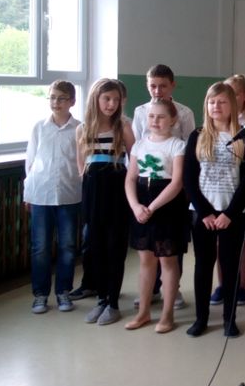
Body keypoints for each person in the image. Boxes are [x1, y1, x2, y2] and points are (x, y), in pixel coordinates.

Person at [183, 82, 245, 338]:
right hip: (202, 214)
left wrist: (229, 214)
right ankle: (201, 318)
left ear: (232, 105)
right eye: (212, 102)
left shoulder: (244, 137)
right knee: (203, 266)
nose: (216, 106)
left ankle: (229, 319)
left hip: (231, 215)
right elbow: (189, 178)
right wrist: (205, 212)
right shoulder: (197, 135)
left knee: (230, 265)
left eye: (222, 102)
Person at [130, 64, 195, 311]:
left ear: (172, 85)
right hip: (146, 181)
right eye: (153, 86)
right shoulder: (140, 111)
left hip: (172, 182)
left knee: (169, 247)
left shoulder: (184, 112)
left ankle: (173, 289)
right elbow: (137, 144)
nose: (157, 91)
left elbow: (190, 146)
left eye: (163, 86)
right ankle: (152, 290)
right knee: (147, 246)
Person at [124, 99, 186, 333]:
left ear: (173, 120)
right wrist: (135, 206)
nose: (155, 121)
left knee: (167, 260)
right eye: (151, 116)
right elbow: (130, 178)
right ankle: (144, 312)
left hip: (166, 205)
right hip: (141, 203)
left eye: (161, 117)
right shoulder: (139, 145)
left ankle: (167, 314)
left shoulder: (177, 145)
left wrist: (152, 207)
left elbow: (177, 182)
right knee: (145, 260)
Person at [76, 78, 135, 325]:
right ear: (95, 99)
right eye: (106, 99)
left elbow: (135, 159)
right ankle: (101, 299)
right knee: (95, 247)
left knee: (115, 248)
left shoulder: (124, 126)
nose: (111, 104)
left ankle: (113, 303)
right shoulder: (82, 129)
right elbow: (81, 163)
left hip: (117, 190)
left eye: (116, 100)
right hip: (93, 192)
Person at [25, 80, 82, 314]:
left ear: (72, 101)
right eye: (52, 97)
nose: (56, 102)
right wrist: (28, 193)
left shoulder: (80, 128)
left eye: (61, 98)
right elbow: (30, 162)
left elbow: (82, 163)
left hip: (69, 195)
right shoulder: (39, 127)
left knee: (68, 246)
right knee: (40, 247)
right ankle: (40, 294)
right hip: (41, 194)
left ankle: (63, 292)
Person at [209, 74, 245, 307]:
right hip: (216, 193)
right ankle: (222, 285)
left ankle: (242, 285)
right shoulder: (208, 128)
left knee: (241, 242)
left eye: (231, 94)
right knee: (219, 245)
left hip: (238, 197)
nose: (219, 104)